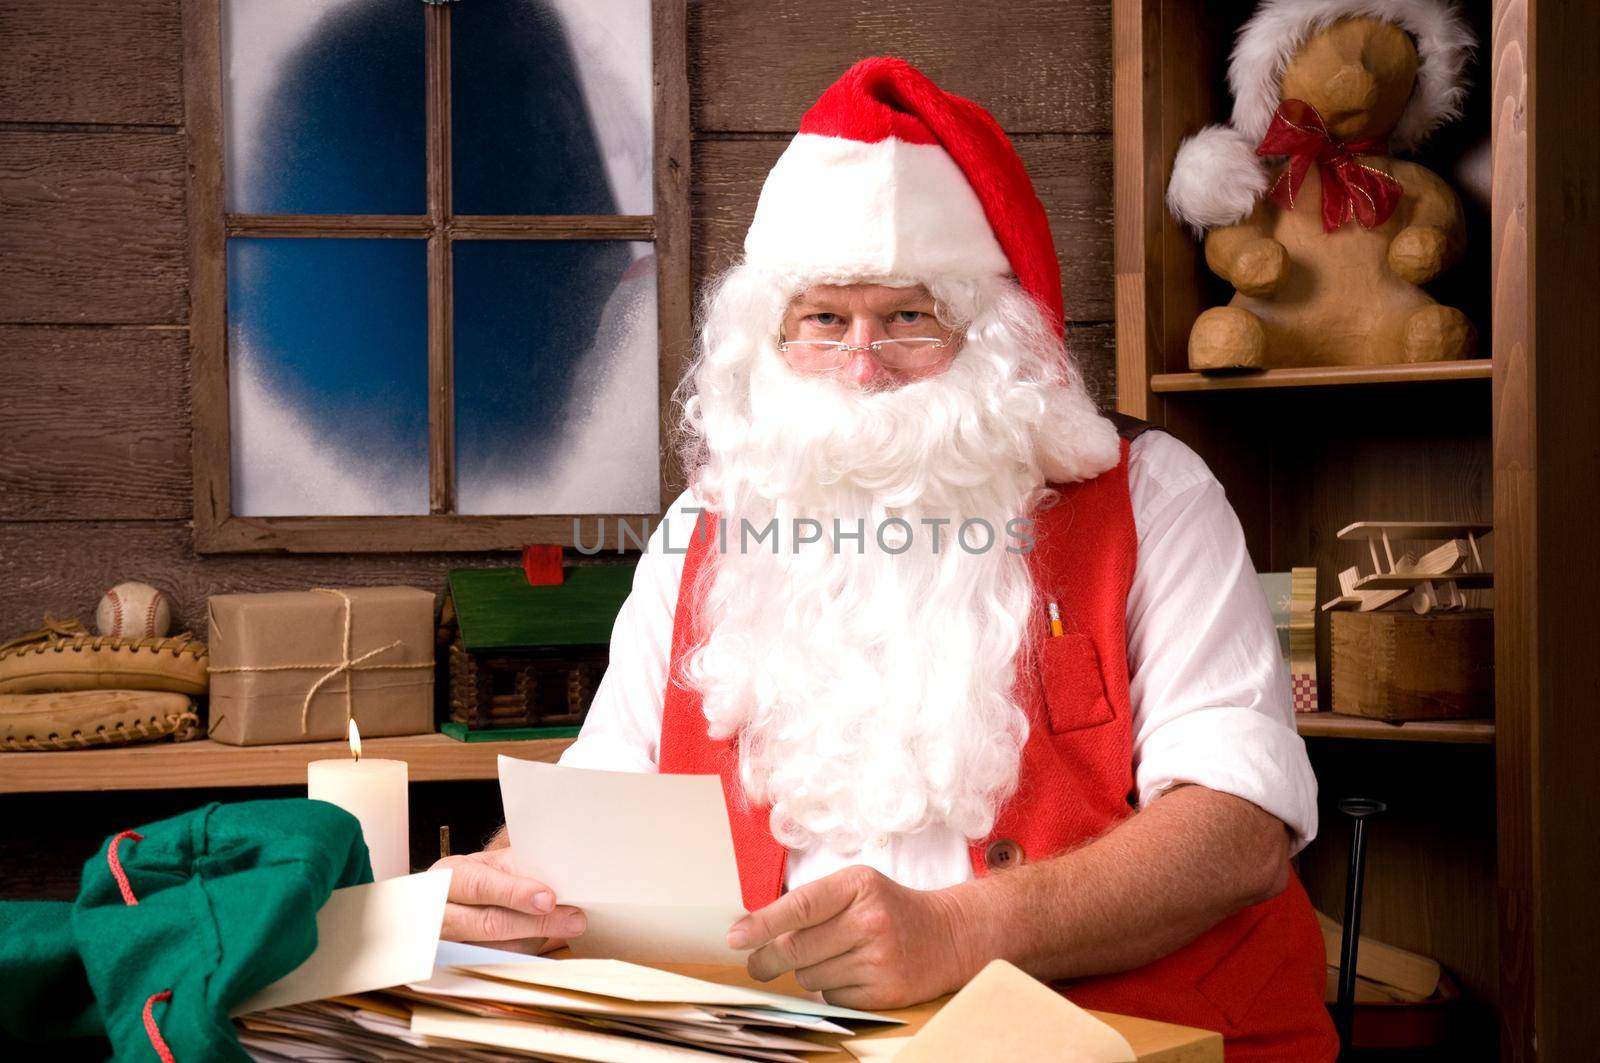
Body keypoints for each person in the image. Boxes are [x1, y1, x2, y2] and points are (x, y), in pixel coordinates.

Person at [433, 56, 1338, 1060]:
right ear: (770, 340)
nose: (862, 368)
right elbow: (609, 795)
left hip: (1117, 1037)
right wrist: (508, 879)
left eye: (909, 316)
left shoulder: (1156, 496)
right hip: (773, 1037)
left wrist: (960, 930)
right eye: (824, 319)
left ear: (991, 335)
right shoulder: (706, 523)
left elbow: (1238, 825)